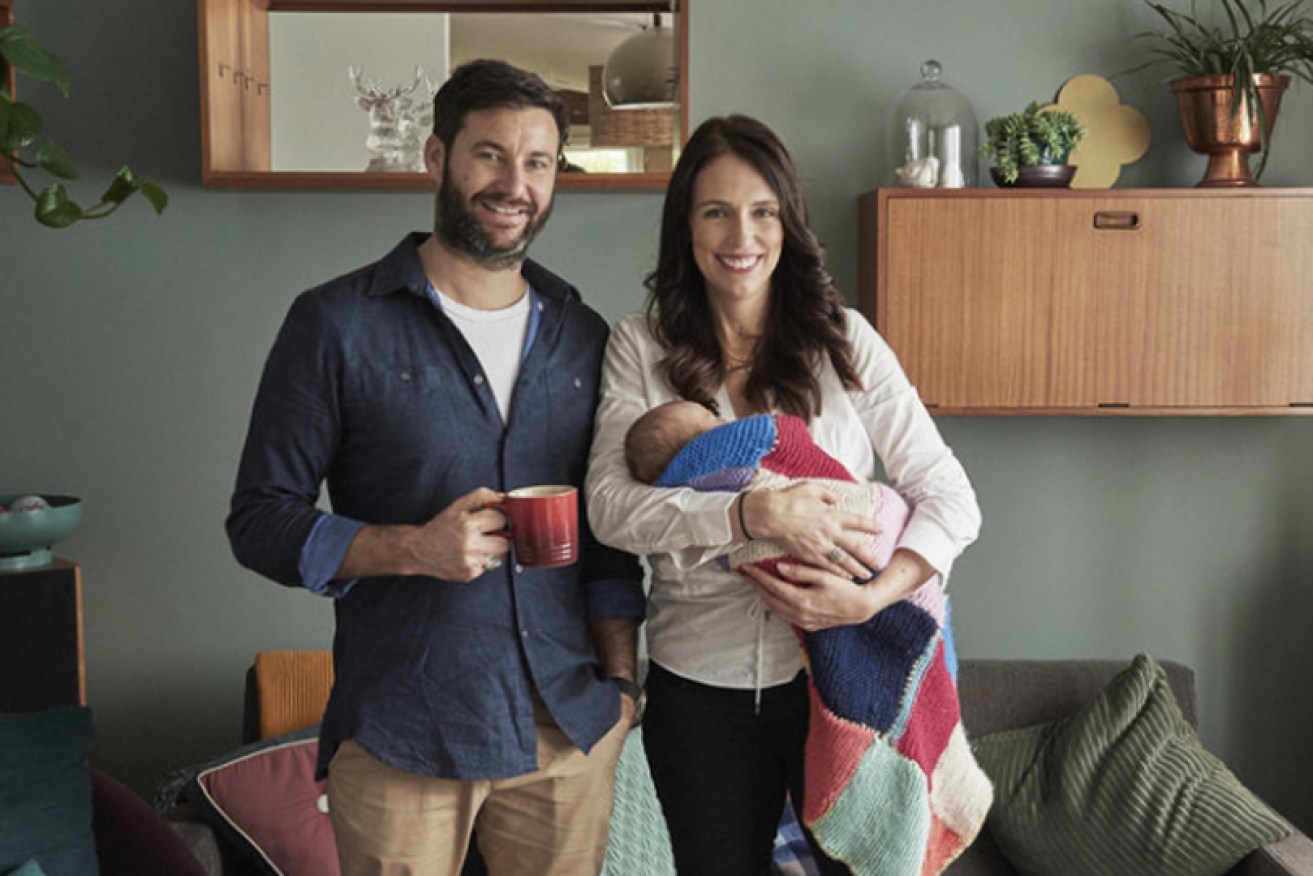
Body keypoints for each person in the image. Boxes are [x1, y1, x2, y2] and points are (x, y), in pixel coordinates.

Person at [227, 59, 645, 876]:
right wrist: (410, 549)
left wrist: (622, 690)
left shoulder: (583, 336)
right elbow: (259, 519)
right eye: (489, 154)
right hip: (401, 730)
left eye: (537, 162)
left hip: (566, 728)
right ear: (435, 159)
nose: (513, 183)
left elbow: (609, 536)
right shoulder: (335, 324)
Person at [585, 115, 984, 876]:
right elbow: (609, 506)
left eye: (762, 211)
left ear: (787, 221)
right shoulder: (638, 345)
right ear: (685, 227)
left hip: (836, 683)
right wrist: (748, 512)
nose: (741, 234)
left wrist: (872, 599)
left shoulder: (845, 341)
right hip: (698, 692)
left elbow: (949, 497)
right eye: (716, 211)